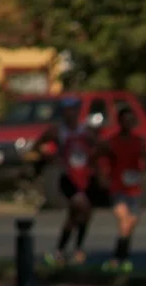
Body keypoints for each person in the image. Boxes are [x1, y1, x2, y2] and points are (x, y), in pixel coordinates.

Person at [34, 97, 101, 267]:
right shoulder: (57, 131)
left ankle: (65, 250)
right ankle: (72, 250)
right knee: (80, 205)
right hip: (68, 177)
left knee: (80, 215)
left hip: (85, 176)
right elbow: (37, 146)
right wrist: (50, 157)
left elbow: (99, 147)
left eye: (73, 110)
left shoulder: (85, 130)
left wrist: (94, 157)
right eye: (66, 110)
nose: (70, 114)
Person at [99, 106, 146, 273]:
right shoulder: (112, 142)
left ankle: (120, 258)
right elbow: (99, 159)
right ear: (120, 122)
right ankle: (119, 259)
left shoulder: (139, 141)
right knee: (123, 220)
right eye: (125, 120)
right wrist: (103, 178)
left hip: (134, 189)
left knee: (129, 226)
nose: (128, 123)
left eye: (130, 120)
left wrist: (142, 175)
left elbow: (145, 162)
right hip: (118, 188)